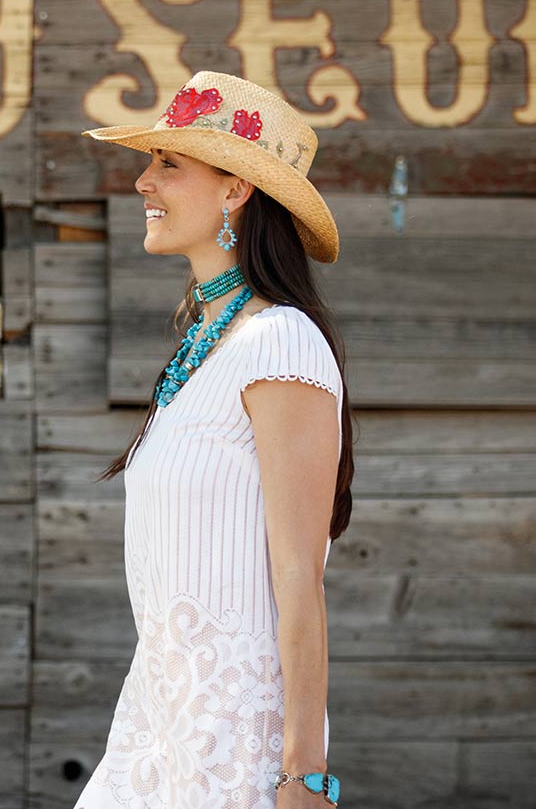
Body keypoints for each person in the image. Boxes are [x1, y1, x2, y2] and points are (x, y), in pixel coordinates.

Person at [72, 70, 355, 809]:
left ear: (236, 190)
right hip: (156, 727)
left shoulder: (280, 343)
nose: (143, 182)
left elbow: (298, 575)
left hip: (236, 746)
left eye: (169, 164)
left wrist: (305, 774)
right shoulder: (204, 347)